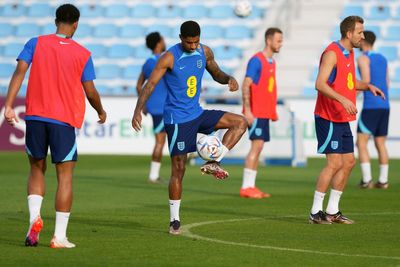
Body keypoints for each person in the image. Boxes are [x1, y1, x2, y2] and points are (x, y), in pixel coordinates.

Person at [3, 4, 107, 248]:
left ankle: (33, 220)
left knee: (36, 170)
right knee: (65, 177)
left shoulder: (35, 42)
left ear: (55, 20)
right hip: (63, 120)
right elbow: (90, 90)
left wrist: (8, 105)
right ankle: (59, 237)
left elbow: (19, 72)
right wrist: (100, 110)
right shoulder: (82, 53)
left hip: (36, 117)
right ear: (76, 24)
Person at [132, 20, 247, 234]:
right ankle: (174, 220)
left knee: (241, 122)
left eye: (196, 42)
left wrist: (229, 79)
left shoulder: (205, 52)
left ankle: (214, 161)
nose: (193, 46)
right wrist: (138, 109)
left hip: (198, 113)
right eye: (189, 42)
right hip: (176, 120)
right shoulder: (169, 57)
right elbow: (150, 85)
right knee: (179, 169)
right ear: (180, 38)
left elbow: (217, 73)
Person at [309, 16, 384, 224]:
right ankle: (316, 211)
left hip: (341, 117)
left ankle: (332, 211)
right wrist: (342, 100)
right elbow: (320, 84)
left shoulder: (349, 52)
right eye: (360, 32)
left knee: (349, 161)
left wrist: (367, 86)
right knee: (334, 163)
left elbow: (348, 82)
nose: (363, 35)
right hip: (328, 116)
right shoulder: (332, 53)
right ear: (349, 34)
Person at [240, 27, 283, 199]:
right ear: (269, 40)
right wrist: (248, 110)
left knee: (259, 148)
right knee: (256, 147)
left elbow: (268, 89)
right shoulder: (256, 60)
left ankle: (251, 186)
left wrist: (272, 111)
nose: (281, 44)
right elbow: (245, 84)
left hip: (264, 112)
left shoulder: (272, 62)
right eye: (278, 40)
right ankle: (246, 187)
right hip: (256, 113)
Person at [356, 31, 390, 189]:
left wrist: (352, 97)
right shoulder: (383, 58)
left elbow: (366, 81)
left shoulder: (363, 58)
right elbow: (387, 83)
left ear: (363, 41)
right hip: (384, 105)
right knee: (380, 143)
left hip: (370, 106)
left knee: (361, 142)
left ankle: (367, 179)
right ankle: (383, 181)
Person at [136, 32, 168, 183]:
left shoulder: (147, 62)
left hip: (155, 108)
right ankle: (154, 175)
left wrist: (145, 104)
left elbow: (138, 85)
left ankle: (154, 174)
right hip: (166, 108)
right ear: (158, 44)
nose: (164, 42)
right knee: (162, 141)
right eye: (162, 40)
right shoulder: (165, 60)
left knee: (161, 141)